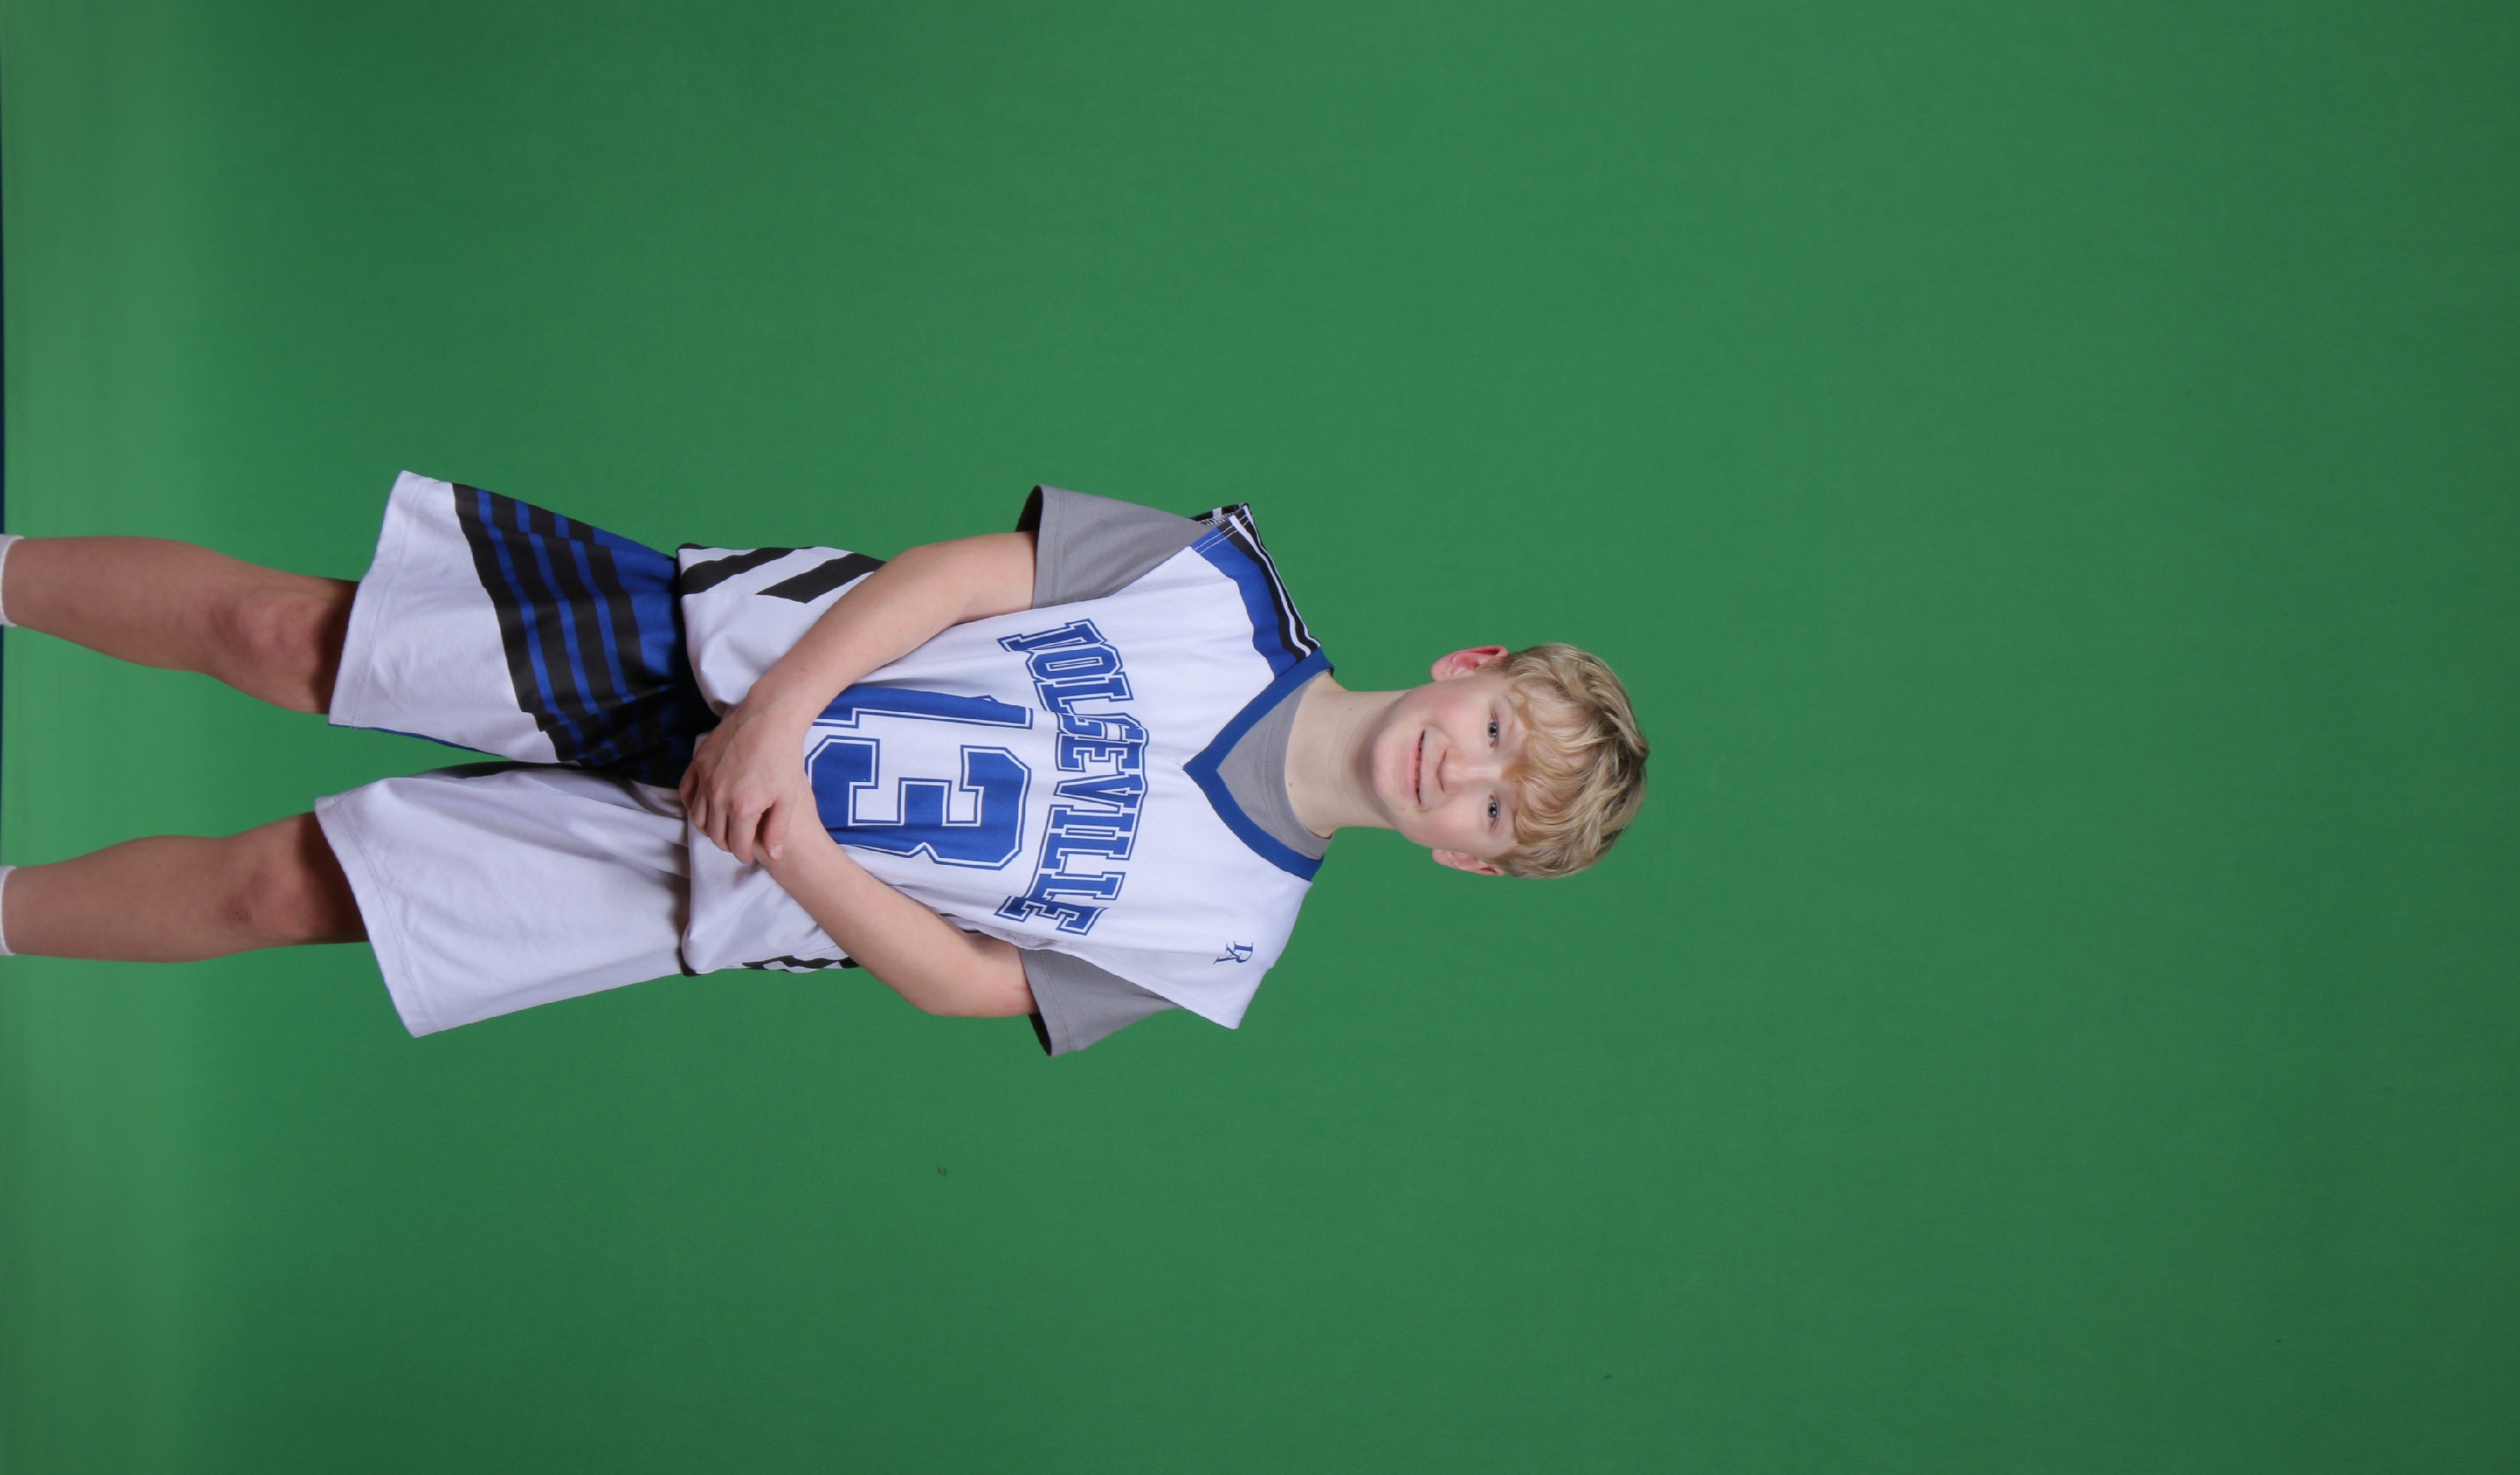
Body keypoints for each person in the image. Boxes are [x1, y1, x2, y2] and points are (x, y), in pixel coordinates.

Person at [0, 474, 1647, 1054]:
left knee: (290, 893)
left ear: (1466, 858)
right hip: (713, 656)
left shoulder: (1227, 943)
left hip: (726, 873)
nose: (1463, 771)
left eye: (1495, 811)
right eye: (1500, 733)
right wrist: (780, 715)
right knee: (293, 632)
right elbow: (954, 577)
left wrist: (784, 839)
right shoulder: (1216, 585)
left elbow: (964, 983)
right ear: (1472, 668)